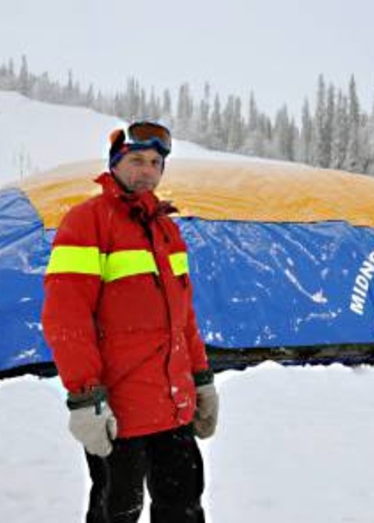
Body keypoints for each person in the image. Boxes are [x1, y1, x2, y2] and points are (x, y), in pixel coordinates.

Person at [41, 120, 218, 523]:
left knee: (184, 507)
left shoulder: (167, 229)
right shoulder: (87, 222)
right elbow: (66, 317)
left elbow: (184, 317)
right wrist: (86, 398)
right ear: (116, 164)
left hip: (174, 407)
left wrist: (202, 380)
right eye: (137, 160)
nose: (147, 170)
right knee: (116, 510)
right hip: (118, 411)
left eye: (156, 162)